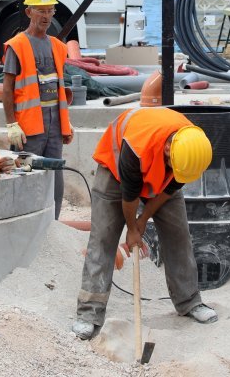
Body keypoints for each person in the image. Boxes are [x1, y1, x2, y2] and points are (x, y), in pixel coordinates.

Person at [72, 107, 217, 340]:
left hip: (158, 171)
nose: (174, 169)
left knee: (178, 235)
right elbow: (130, 197)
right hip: (116, 170)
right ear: (169, 147)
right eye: (172, 164)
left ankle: (189, 302)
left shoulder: (190, 150)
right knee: (103, 239)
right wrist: (132, 229)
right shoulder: (135, 149)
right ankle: (89, 314)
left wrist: (143, 220)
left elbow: (170, 187)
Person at [2, 0, 73, 219]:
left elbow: (59, 89)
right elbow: (7, 89)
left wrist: (65, 122)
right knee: (24, 177)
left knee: (55, 176)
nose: (46, 16)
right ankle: (22, 221)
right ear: (29, 12)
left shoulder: (57, 47)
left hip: (53, 126)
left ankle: (53, 223)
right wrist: (12, 124)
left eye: (50, 10)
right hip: (29, 128)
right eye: (40, 10)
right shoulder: (18, 46)